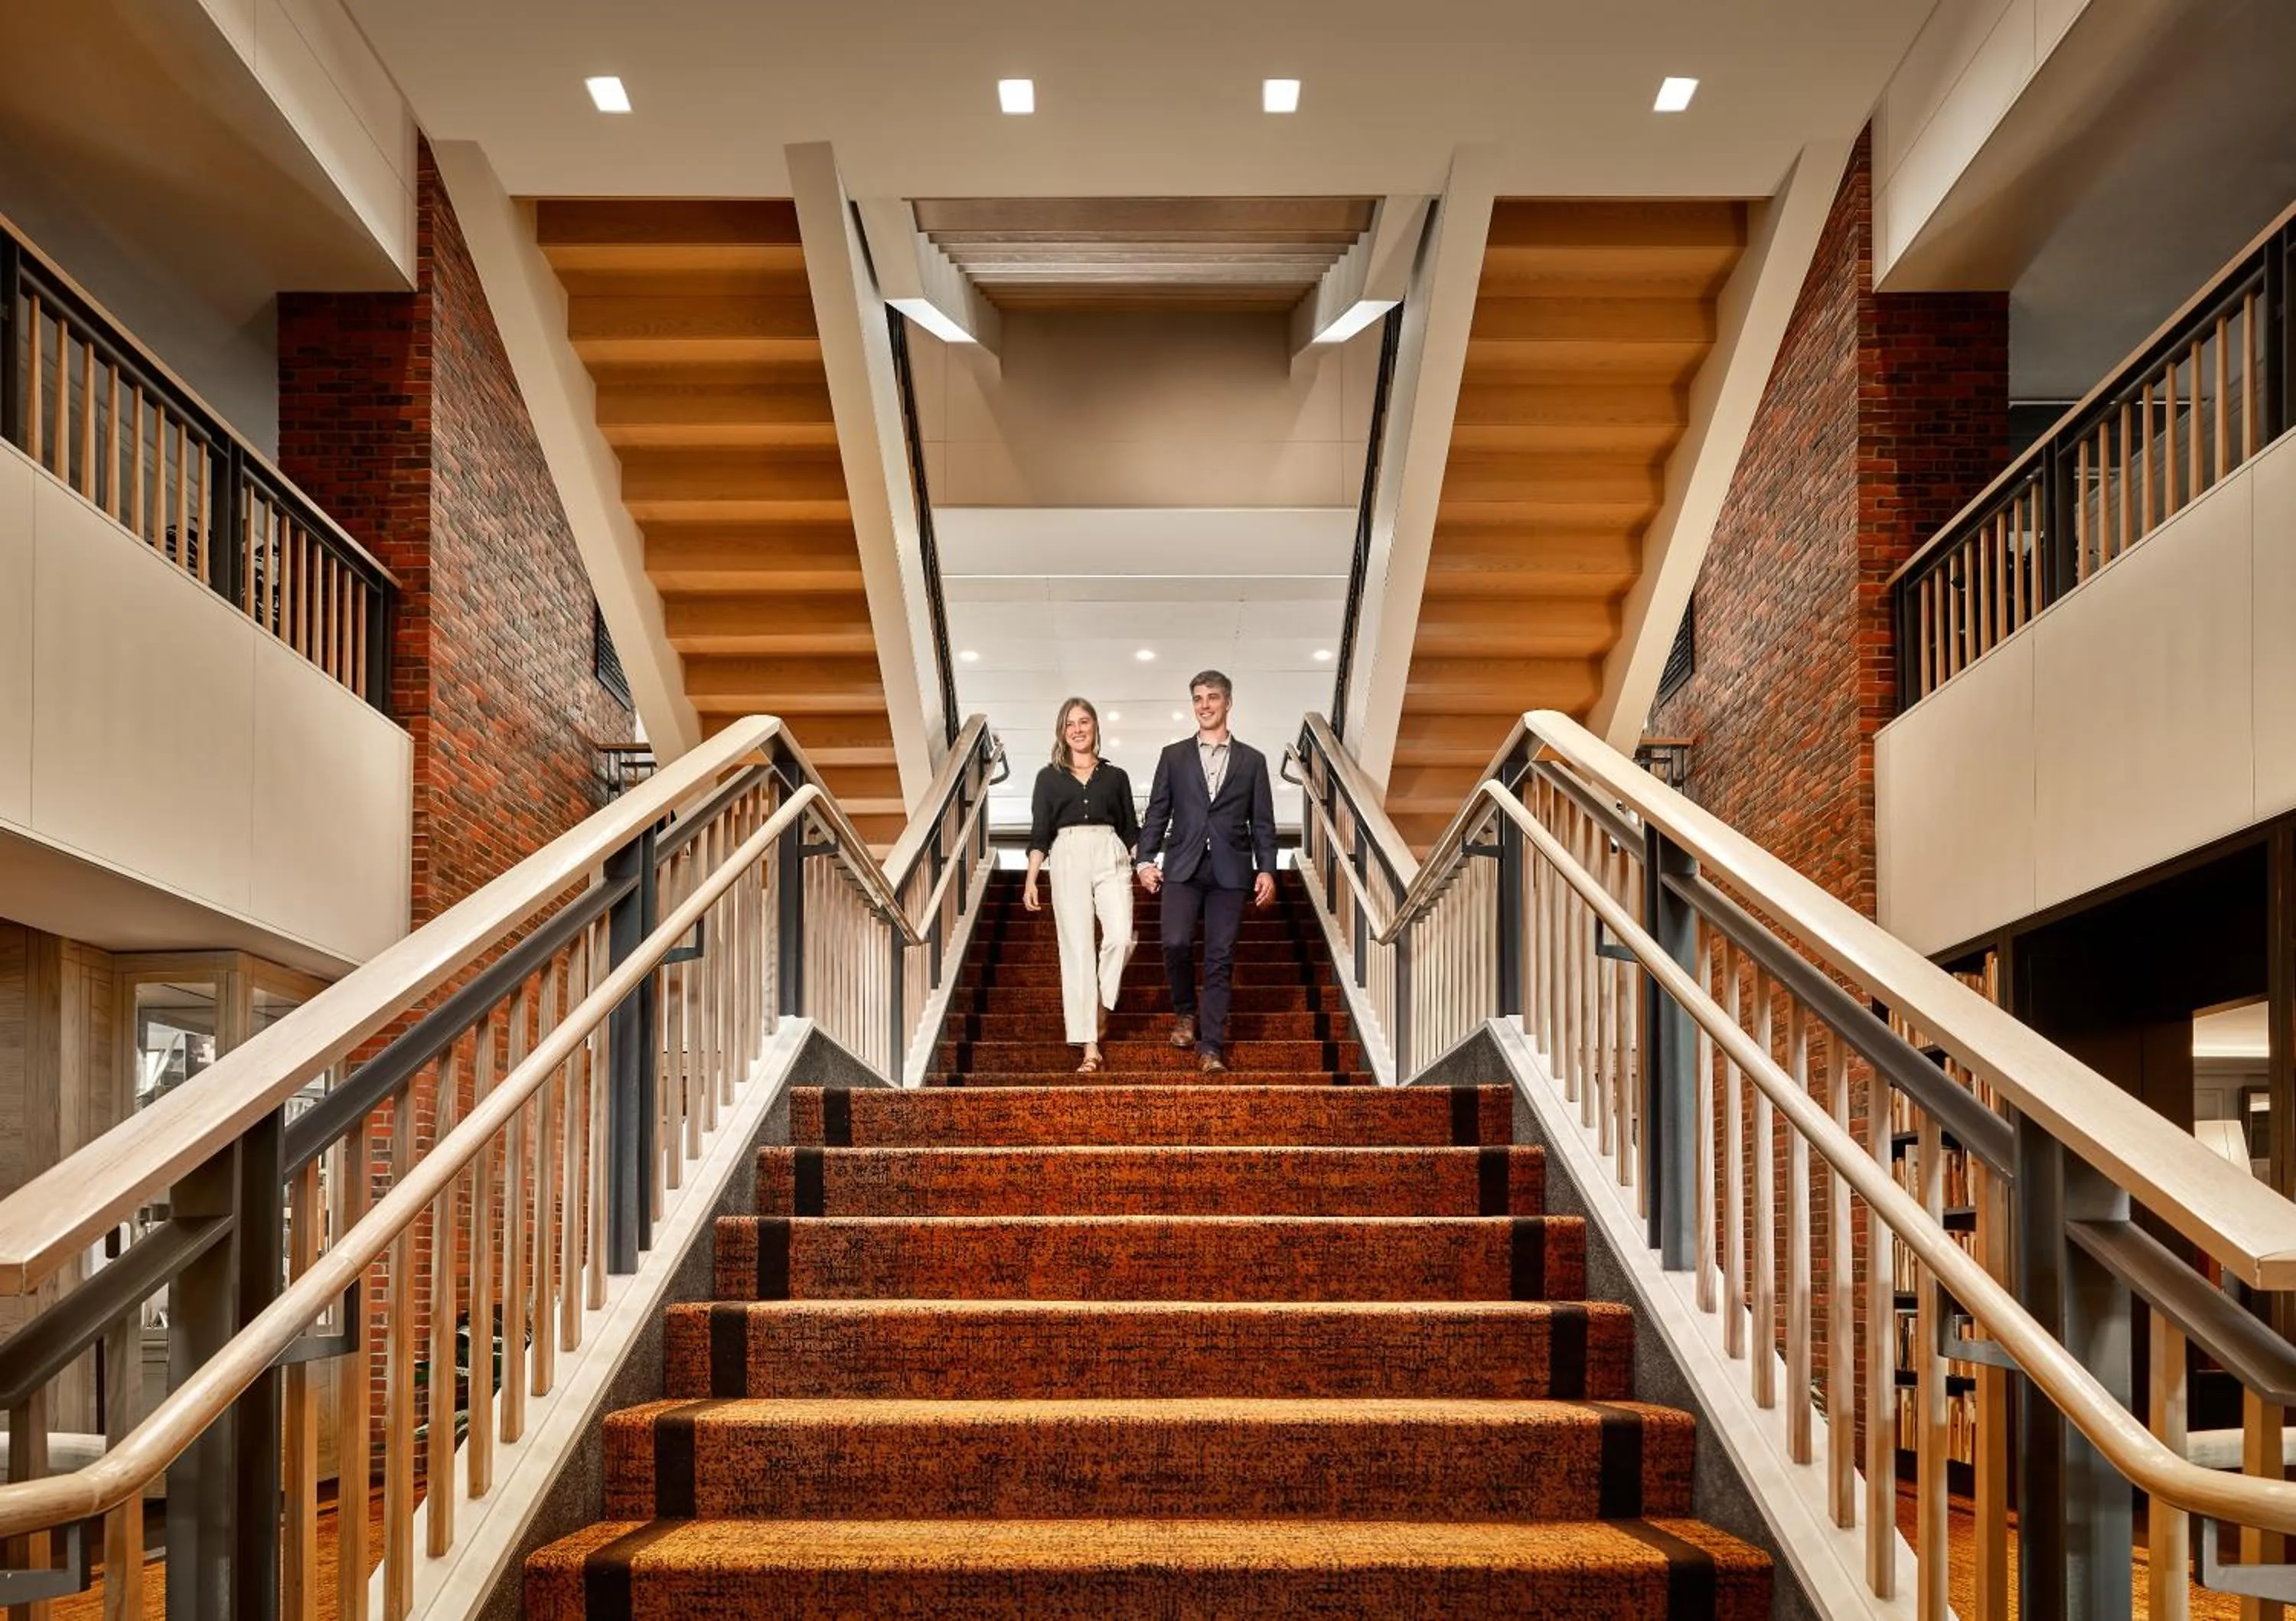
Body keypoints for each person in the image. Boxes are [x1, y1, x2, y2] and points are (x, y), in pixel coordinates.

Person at [1134, 670, 1277, 1074]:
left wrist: (1267, 869)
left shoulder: (1252, 761)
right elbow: (1158, 812)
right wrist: (1145, 861)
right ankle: (1184, 1012)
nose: (1205, 705)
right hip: (1182, 863)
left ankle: (1211, 1047)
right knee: (1176, 942)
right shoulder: (1174, 755)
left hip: (1231, 872)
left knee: (1220, 956)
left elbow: (1262, 822)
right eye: (1198, 698)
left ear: (1227, 703)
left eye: (1212, 697)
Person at [1023, 697, 1140, 1073]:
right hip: (1067, 852)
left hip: (1110, 850)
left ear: (1095, 727)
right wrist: (1031, 879)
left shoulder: (1116, 776)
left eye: (1084, 721)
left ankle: (1102, 1002)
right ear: (1062, 731)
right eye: (1070, 723)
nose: (1077, 728)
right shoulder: (1048, 777)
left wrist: (1147, 866)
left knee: (1121, 936)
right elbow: (1040, 832)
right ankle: (1090, 1047)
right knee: (1076, 950)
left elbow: (1130, 830)